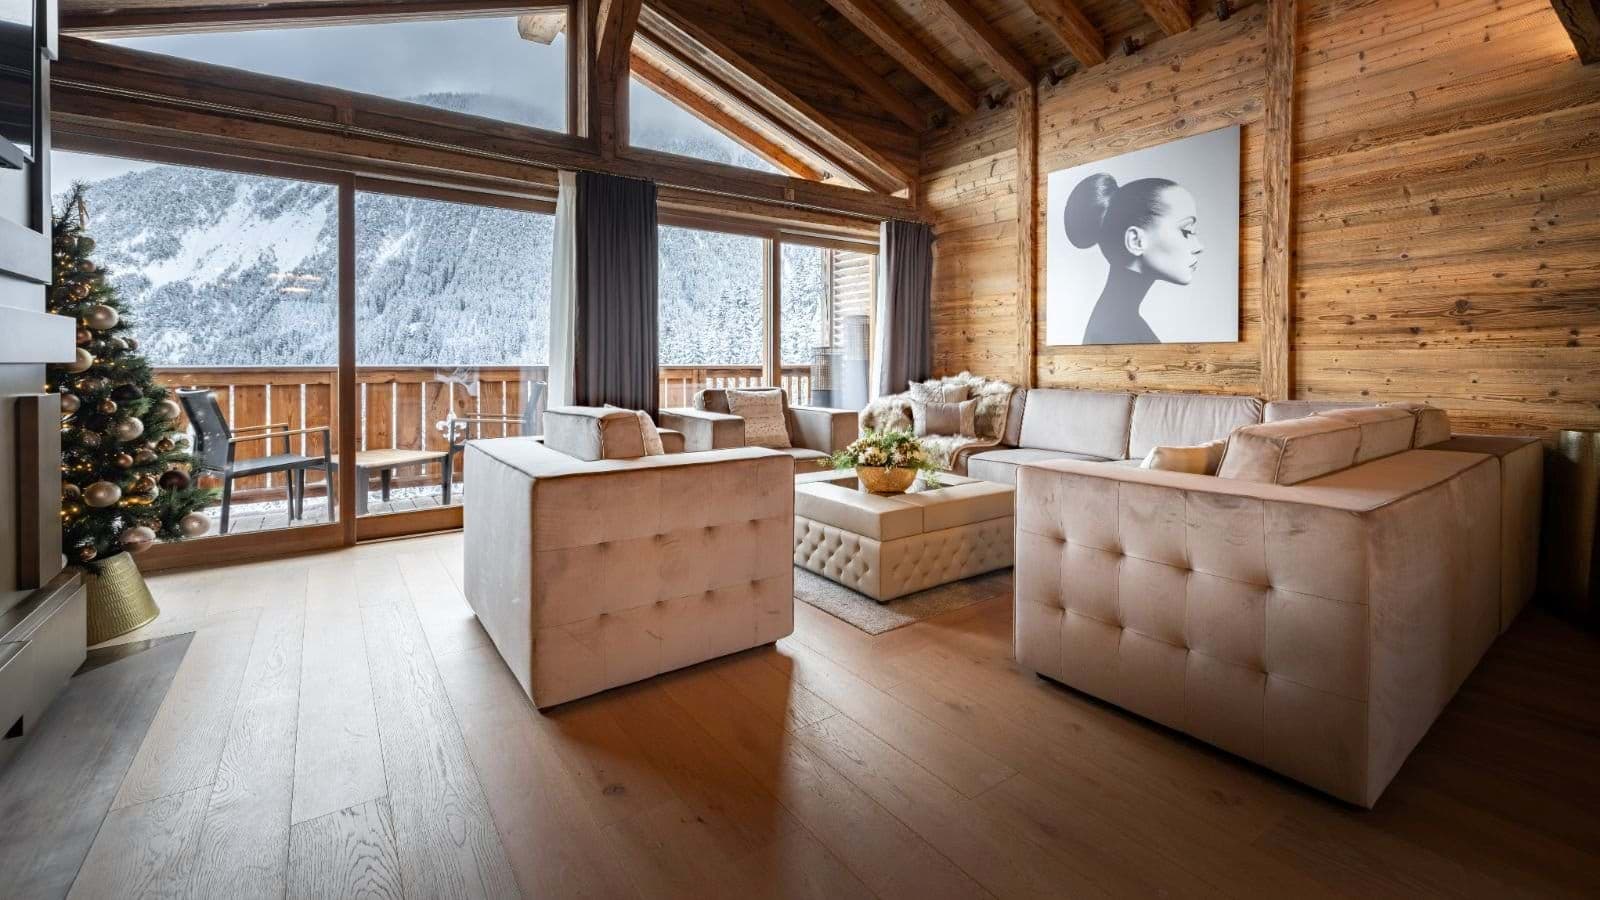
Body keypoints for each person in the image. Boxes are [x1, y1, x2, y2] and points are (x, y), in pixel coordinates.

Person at [1062, 173, 1204, 344]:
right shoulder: (1121, 329)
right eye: (1187, 231)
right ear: (1136, 241)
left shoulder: (1113, 320)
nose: (1199, 247)